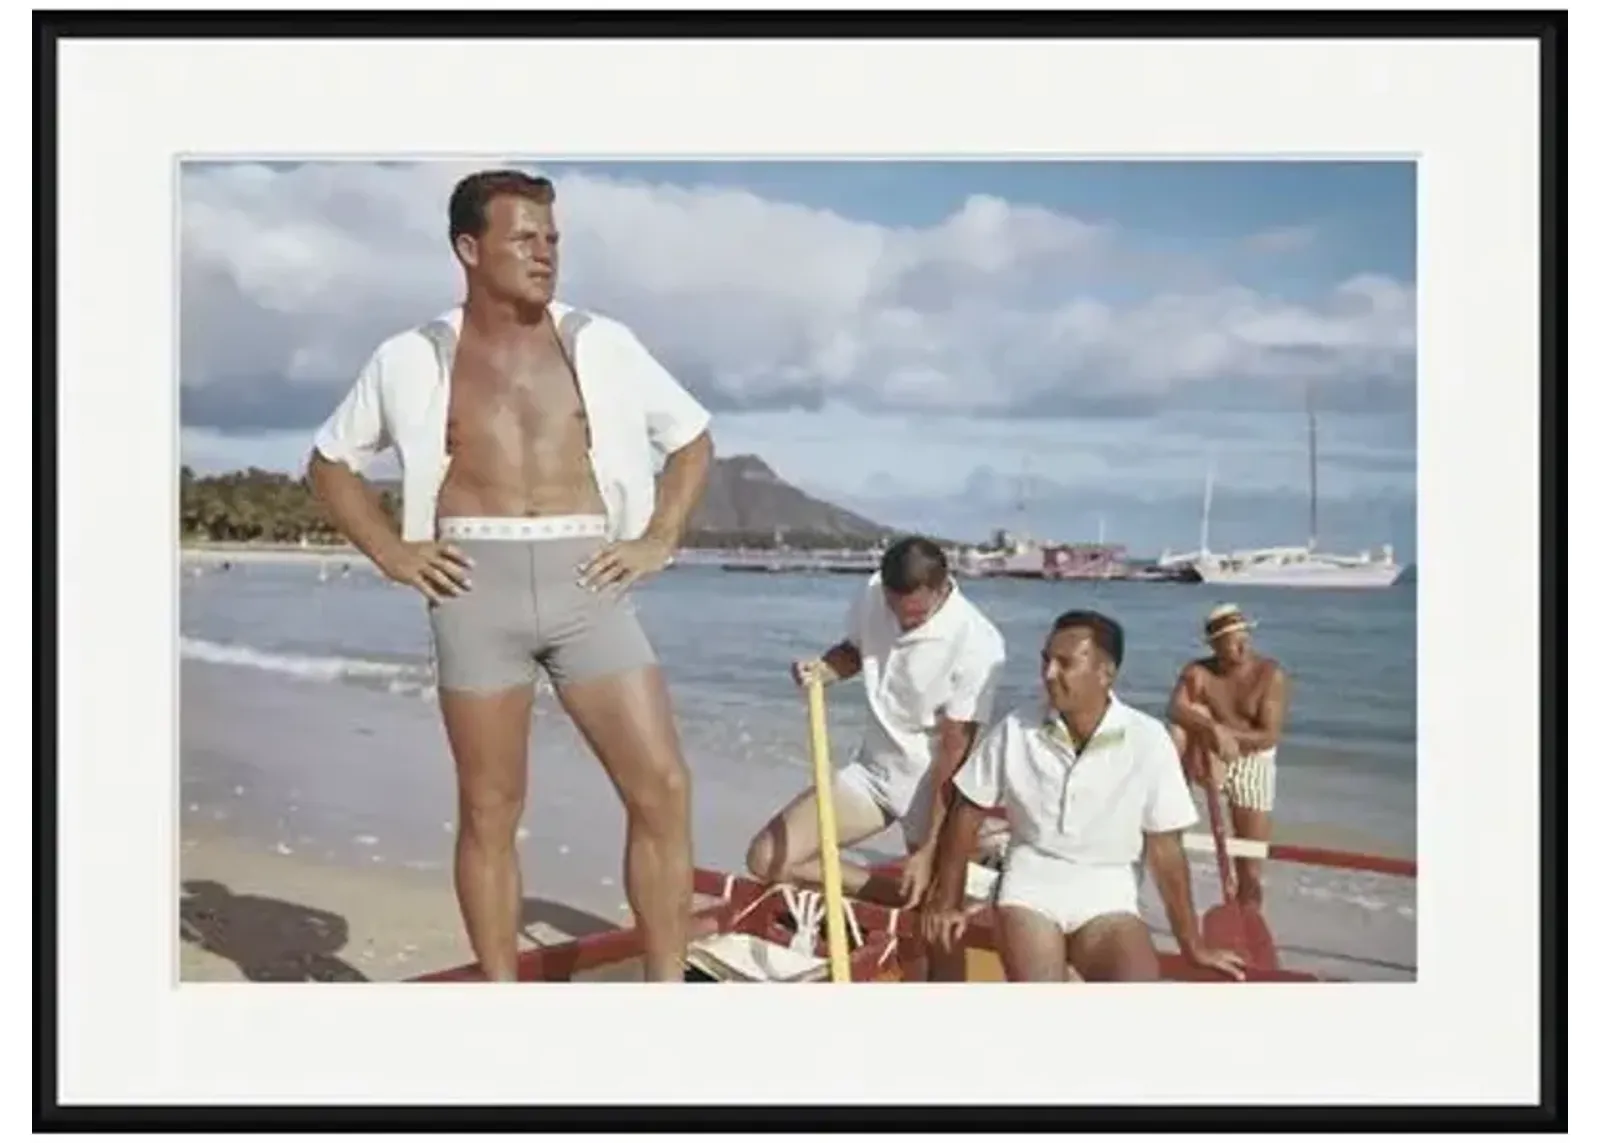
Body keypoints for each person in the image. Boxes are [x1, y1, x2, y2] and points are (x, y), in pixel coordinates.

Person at [305, 169, 714, 982]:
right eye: (524, 238)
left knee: (662, 788)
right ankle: (501, 1003)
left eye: (553, 239)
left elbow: (693, 437)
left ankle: (666, 992)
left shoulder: (602, 342)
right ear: (469, 247)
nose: (545, 254)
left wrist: (658, 536)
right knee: (491, 810)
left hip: (589, 581)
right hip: (472, 590)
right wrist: (395, 554)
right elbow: (329, 465)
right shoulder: (411, 357)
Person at [920, 609, 1246, 982]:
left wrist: (1192, 944)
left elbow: (1166, 848)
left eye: (1064, 663)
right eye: (1045, 660)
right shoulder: (1017, 727)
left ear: (1105, 674)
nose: (1048, 674)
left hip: (1110, 891)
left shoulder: (1147, 738)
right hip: (1031, 884)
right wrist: (946, 900)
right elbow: (967, 809)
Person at [744, 536, 1008, 918]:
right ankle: (900, 898)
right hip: (874, 772)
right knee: (767, 859)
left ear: (941, 588)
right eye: (895, 610)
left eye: (914, 617)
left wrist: (926, 850)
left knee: (936, 906)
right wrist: (823, 668)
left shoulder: (978, 644)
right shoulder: (872, 593)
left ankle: (969, 858)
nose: (903, 622)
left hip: (932, 786)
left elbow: (954, 754)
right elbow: (855, 651)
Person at [1166, 604, 1291, 911]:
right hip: (1210, 755)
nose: (1243, 645)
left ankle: (1248, 918)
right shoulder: (1199, 672)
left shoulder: (1269, 674)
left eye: (1244, 636)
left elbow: (1269, 736)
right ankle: (1170, 807)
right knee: (1180, 728)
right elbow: (1175, 709)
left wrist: (1225, 735)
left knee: (1249, 865)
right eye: (1232, 640)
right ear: (1215, 646)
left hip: (1253, 759)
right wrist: (1212, 730)